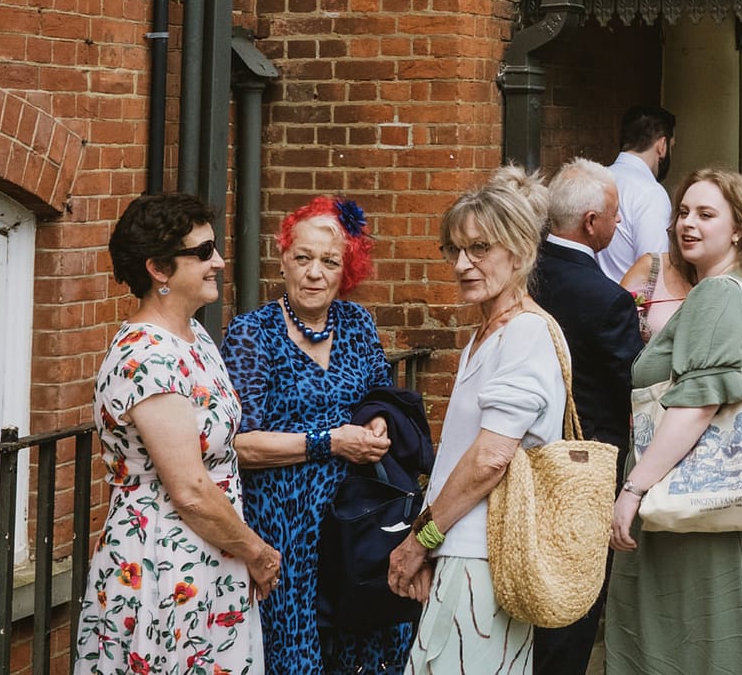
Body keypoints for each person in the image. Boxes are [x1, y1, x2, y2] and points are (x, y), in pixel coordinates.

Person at [605, 168, 742, 675]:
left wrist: (632, 490)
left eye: (706, 214)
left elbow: (698, 404)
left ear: (739, 228)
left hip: (698, 514)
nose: (687, 224)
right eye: (684, 212)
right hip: (723, 506)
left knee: (694, 644)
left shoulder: (716, 295)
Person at [76, 192, 280, 675]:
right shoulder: (146, 356)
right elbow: (188, 490)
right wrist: (257, 552)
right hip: (163, 566)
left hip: (210, 559)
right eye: (203, 252)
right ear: (159, 270)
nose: (219, 261)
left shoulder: (194, 335)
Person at [386, 166, 568, 673]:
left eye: (480, 248)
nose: (464, 264)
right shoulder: (487, 334)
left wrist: (418, 541)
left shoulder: (525, 334)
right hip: (465, 552)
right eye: (455, 250)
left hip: (485, 557)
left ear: (520, 251)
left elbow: (490, 459)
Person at [225, 196, 410, 675]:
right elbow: (240, 446)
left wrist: (377, 423)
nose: (314, 273)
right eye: (303, 258)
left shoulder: (357, 324)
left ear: (345, 269)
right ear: (283, 257)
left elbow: (379, 396)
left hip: (355, 522)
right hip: (283, 528)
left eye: (329, 262)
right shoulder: (253, 333)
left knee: (363, 645)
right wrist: (330, 442)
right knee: (294, 653)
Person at [528, 160, 644, 675]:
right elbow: (629, 388)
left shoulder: (521, 273)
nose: (619, 227)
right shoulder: (608, 299)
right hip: (587, 465)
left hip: (524, 455)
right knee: (574, 601)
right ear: (591, 222)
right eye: (615, 217)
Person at [603, 104, 676, 282]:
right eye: (673, 146)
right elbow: (655, 271)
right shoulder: (651, 194)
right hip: (631, 304)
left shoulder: (595, 180)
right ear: (662, 145)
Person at [619, 235, 694, 342]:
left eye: (706, 217)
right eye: (683, 216)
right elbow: (616, 331)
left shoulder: (723, 282)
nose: (688, 223)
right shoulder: (652, 266)